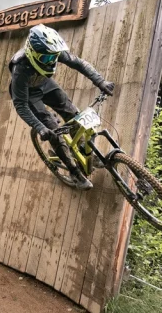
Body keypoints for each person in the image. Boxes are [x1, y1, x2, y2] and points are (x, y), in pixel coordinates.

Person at [8, 24, 114, 191]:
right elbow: (20, 105)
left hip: (45, 84)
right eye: (46, 59)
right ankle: (74, 173)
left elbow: (79, 63)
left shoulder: (51, 51)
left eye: (53, 58)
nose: (51, 62)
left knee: (75, 116)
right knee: (53, 130)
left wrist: (100, 81)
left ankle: (87, 155)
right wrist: (40, 127)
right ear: (32, 53)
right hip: (29, 95)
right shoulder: (20, 69)